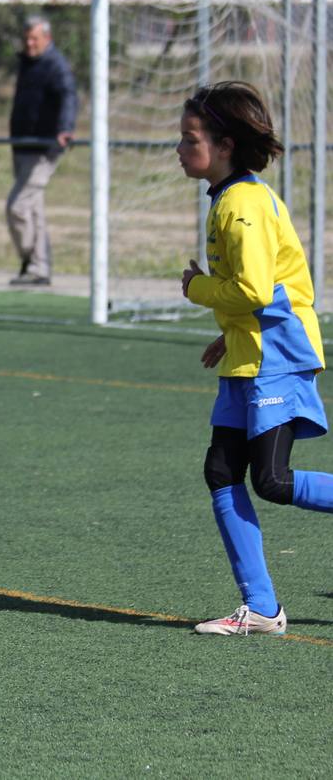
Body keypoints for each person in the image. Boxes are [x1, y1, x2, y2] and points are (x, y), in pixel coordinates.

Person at [178, 80, 333, 636]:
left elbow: (254, 291)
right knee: (221, 469)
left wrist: (196, 290)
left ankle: (264, 608)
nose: (180, 148)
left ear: (223, 144)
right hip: (250, 352)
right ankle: (262, 609)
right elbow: (254, 293)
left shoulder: (242, 203)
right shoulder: (229, 196)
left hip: (278, 355)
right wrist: (230, 333)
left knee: (271, 480)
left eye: (189, 137)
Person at [7, 15, 77, 286]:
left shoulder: (55, 65)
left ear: (47, 38)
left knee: (18, 206)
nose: (29, 42)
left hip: (45, 149)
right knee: (33, 209)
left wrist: (65, 128)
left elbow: (69, 96)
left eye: (34, 38)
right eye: (26, 38)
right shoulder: (27, 62)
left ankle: (31, 259)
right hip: (23, 145)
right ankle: (39, 269)